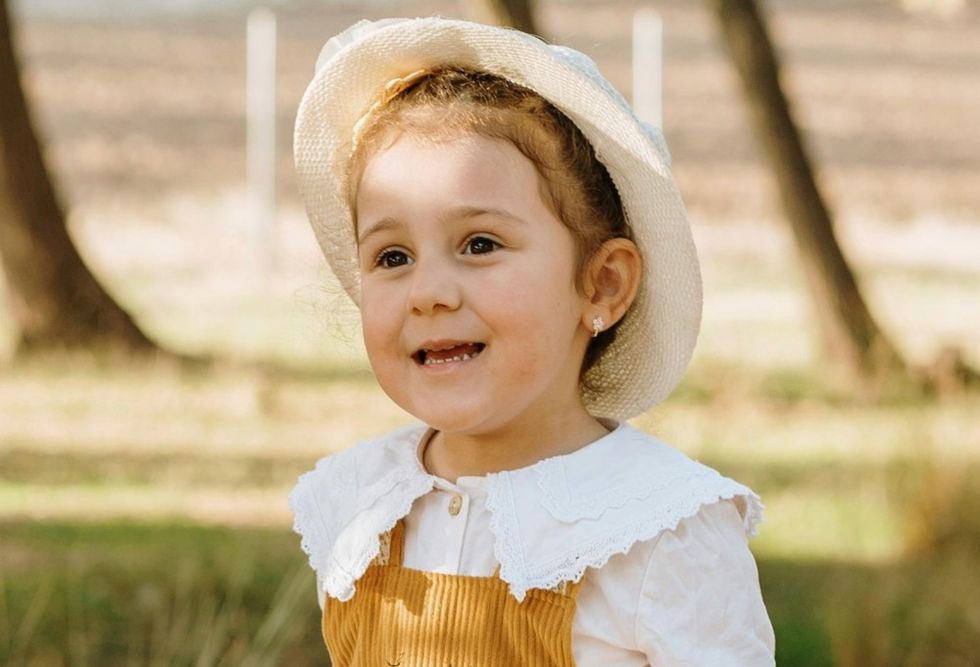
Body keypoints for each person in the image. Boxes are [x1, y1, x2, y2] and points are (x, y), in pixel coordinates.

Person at [289, 16, 775, 666]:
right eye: (393, 255)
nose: (427, 290)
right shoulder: (364, 506)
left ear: (601, 285)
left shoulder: (662, 531)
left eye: (480, 244)